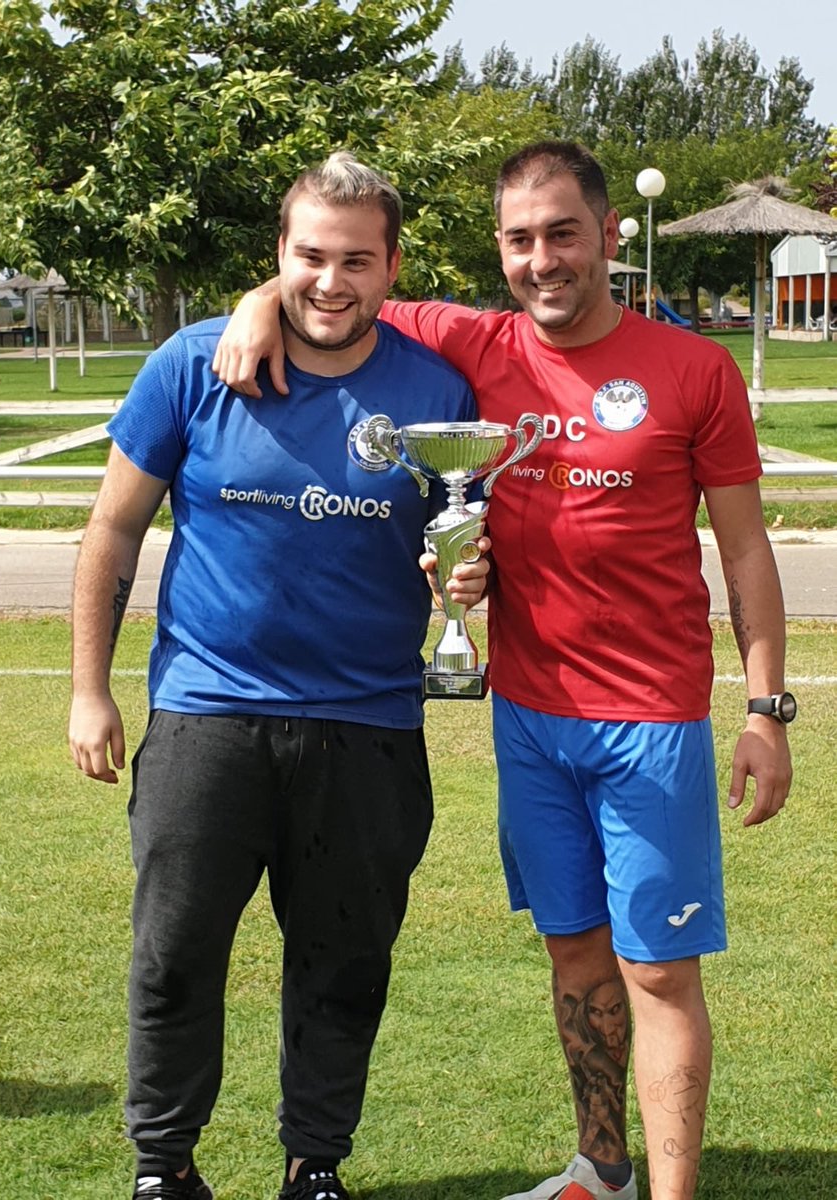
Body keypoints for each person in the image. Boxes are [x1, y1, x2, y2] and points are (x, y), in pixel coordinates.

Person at [212, 140, 794, 1200]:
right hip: (526, 714)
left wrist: (765, 708)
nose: (542, 260)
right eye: (520, 240)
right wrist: (257, 302)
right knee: (574, 954)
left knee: (658, 970)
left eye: (563, 234)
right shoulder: (476, 343)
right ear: (500, 248)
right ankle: (601, 1168)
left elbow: (746, 549)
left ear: (608, 237)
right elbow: (336, 281)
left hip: (652, 720)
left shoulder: (693, 369)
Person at [68, 151, 491, 1200]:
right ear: (280, 256)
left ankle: (316, 1165)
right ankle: (165, 1168)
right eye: (310, 257)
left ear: (392, 267)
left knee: (343, 966)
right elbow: (113, 528)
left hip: (369, 725)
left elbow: (463, 539)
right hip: (207, 716)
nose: (330, 282)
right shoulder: (192, 364)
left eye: (357, 260)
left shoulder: (436, 392)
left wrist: (466, 576)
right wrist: (89, 688)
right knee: (174, 958)